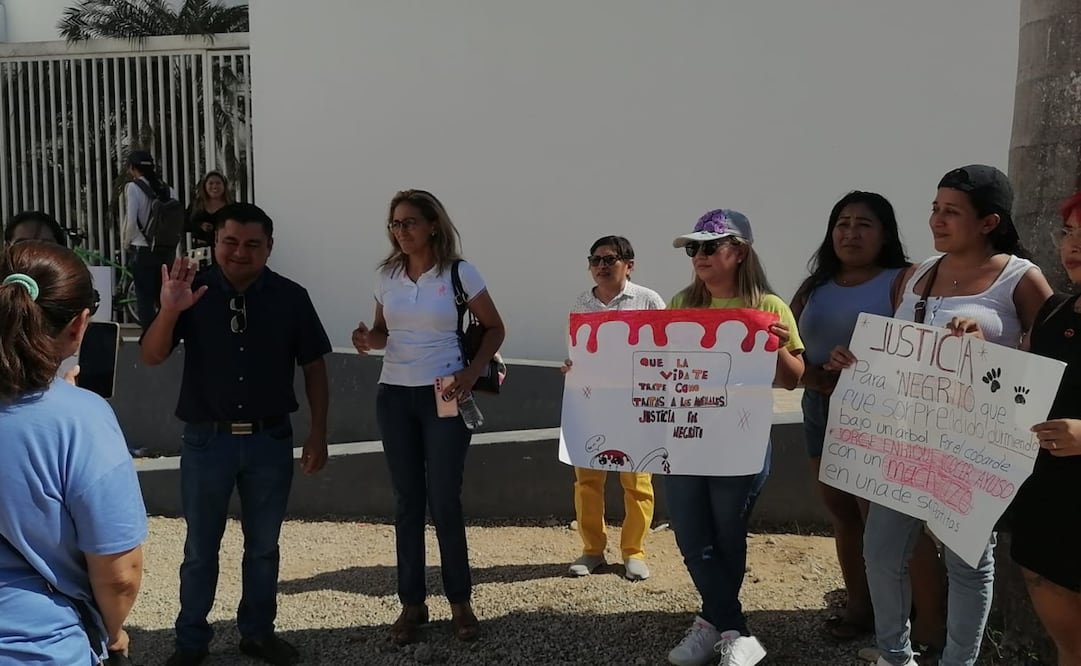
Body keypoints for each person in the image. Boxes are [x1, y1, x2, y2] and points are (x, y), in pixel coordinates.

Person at [826, 165, 1053, 666]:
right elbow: (897, 349)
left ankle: (958, 662)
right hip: (904, 439)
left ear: (989, 222)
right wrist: (856, 360)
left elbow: (1052, 363)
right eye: (935, 208)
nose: (937, 219)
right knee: (881, 552)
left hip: (973, 446)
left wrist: (989, 349)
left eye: (952, 211)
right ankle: (895, 656)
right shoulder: (918, 274)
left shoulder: (1020, 277)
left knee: (968, 562)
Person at [140, 203, 332, 666]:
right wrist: (169, 311)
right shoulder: (193, 291)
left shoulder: (291, 297)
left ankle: (258, 634)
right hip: (207, 442)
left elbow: (314, 368)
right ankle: (190, 642)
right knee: (200, 548)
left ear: (269, 247)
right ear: (216, 242)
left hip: (270, 441)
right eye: (230, 242)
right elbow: (151, 355)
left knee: (263, 547)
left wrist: (318, 433)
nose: (240, 252)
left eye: (252, 244)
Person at [791, 191, 947, 646]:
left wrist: (866, 368)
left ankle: (931, 625)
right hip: (821, 408)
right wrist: (814, 378)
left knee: (893, 522)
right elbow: (788, 348)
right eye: (842, 223)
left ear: (885, 234)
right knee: (842, 513)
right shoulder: (814, 286)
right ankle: (862, 609)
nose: (851, 233)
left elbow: (921, 344)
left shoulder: (906, 280)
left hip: (882, 414)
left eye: (864, 224)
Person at [351, 189, 505, 645]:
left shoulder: (459, 272)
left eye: (410, 222)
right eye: (395, 224)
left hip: (445, 394)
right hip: (394, 396)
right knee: (407, 502)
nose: (401, 231)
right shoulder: (386, 276)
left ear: (433, 224)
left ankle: (460, 601)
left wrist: (471, 372)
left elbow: (495, 327)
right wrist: (368, 339)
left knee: (444, 499)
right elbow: (384, 332)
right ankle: (412, 604)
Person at [664, 209, 804, 666]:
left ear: (739, 252)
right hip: (686, 437)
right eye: (693, 248)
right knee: (690, 534)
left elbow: (793, 379)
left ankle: (713, 624)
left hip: (741, 440)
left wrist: (777, 346)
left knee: (726, 536)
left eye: (710, 246)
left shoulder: (769, 306)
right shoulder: (680, 302)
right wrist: (589, 369)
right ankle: (734, 630)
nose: (699, 255)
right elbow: (653, 364)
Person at [0, 240, 146, 664]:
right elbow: (119, 575)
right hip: (38, 647)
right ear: (79, 325)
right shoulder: (83, 421)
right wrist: (112, 632)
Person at [562, 235, 666, 581]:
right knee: (587, 481)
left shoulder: (648, 300)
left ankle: (634, 551)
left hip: (636, 404)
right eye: (595, 260)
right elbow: (577, 350)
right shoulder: (581, 302)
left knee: (637, 481)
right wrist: (571, 365)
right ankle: (592, 549)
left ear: (629, 265)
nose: (601, 266)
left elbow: (665, 349)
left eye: (609, 259)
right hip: (591, 403)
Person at [1009, 190, 1081, 666]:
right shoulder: (1054, 313)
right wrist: (974, 351)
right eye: (1069, 233)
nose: (1072, 245)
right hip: (1048, 508)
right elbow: (1022, 391)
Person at [123, 150, 177, 328]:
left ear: (132, 168)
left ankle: (149, 335)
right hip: (166, 249)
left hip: (143, 248)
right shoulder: (168, 189)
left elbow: (131, 221)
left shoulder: (133, 187)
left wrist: (126, 242)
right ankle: (166, 332)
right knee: (163, 296)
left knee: (144, 298)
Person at [187, 171, 234, 265]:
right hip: (200, 250)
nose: (214, 186)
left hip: (224, 249)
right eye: (211, 183)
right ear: (205, 186)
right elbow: (185, 223)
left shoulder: (232, 207)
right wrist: (200, 226)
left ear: (224, 186)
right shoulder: (196, 205)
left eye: (218, 183)